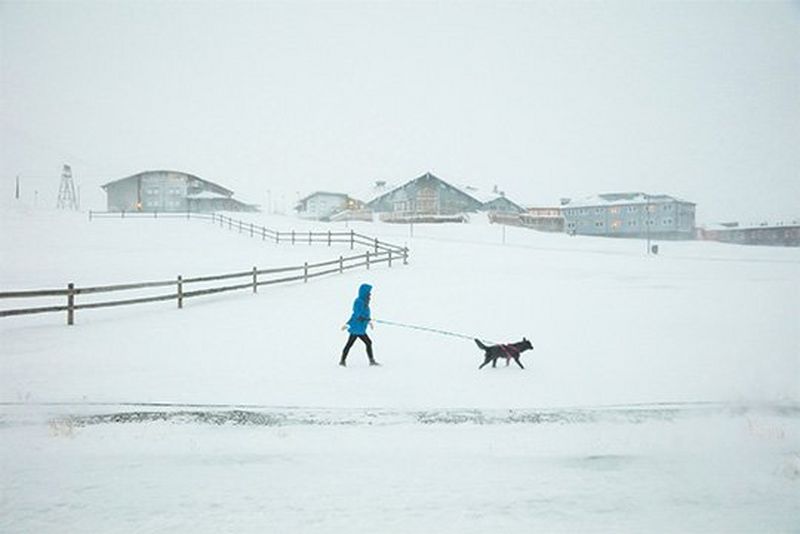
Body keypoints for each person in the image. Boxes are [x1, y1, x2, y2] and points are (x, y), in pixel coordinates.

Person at [339, 283, 379, 367]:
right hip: (356, 328)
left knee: (353, 344)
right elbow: (356, 314)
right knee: (359, 343)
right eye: (368, 292)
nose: (370, 294)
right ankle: (342, 361)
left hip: (360, 328)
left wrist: (369, 321)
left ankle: (342, 361)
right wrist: (348, 324)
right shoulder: (359, 302)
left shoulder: (364, 301)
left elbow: (365, 314)